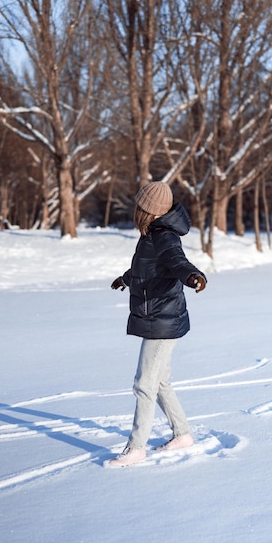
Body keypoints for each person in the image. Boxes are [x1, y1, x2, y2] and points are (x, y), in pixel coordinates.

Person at [109, 181, 207, 467]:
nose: (136, 210)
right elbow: (147, 268)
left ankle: (137, 448)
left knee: (144, 384)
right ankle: (183, 434)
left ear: (149, 210)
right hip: (161, 317)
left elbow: (178, 262)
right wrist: (126, 279)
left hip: (162, 321)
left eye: (139, 206)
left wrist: (194, 277)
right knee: (160, 381)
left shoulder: (164, 238)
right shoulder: (152, 235)